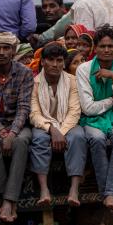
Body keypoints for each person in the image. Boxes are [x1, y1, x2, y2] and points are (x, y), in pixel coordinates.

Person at [76, 25, 113, 212]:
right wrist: (112, 100)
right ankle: (110, 193)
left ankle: (109, 194)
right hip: (91, 121)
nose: (106, 50)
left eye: (110, 46)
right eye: (102, 46)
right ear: (96, 48)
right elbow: (88, 108)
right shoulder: (84, 70)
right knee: (97, 138)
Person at [0, 32, 35, 222]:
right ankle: (8, 198)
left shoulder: (24, 72)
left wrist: (11, 134)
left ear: (13, 51)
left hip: (19, 126)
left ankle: (7, 201)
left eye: (6, 48)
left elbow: (24, 107)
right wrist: (1, 132)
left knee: (21, 142)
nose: (2, 52)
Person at [29, 43, 86, 206]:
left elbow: (74, 112)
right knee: (38, 138)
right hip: (45, 125)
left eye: (59, 60)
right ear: (43, 62)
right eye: (51, 60)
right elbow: (34, 114)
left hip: (67, 124)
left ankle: (74, 189)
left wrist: (61, 131)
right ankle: (44, 189)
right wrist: (52, 129)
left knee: (78, 136)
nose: (55, 64)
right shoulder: (34, 83)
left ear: (63, 63)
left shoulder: (72, 81)